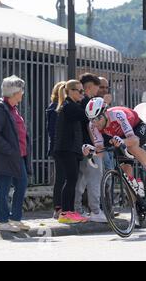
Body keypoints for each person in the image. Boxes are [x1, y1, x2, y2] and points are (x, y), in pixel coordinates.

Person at [83, 97, 146, 196]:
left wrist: (123, 141)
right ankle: (136, 201)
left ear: (105, 113)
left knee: (132, 147)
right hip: (120, 136)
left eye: (98, 118)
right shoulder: (92, 125)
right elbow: (100, 150)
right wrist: (91, 151)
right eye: (91, 119)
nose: (95, 123)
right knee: (126, 172)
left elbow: (134, 140)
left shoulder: (117, 115)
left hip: (137, 128)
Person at [0, 75, 32, 232]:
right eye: (21, 90)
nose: (23, 93)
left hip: (18, 156)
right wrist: (9, 150)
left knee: (21, 184)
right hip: (6, 156)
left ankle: (15, 218)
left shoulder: (12, 108)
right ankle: (2, 221)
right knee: (4, 187)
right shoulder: (0, 109)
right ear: (15, 92)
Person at [53, 80, 89, 224]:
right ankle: (66, 213)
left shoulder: (72, 105)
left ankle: (69, 212)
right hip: (66, 149)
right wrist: (87, 101)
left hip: (71, 149)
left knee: (71, 180)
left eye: (83, 91)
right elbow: (86, 115)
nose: (82, 94)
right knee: (70, 180)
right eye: (80, 91)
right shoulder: (69, 107)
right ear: (71, 92)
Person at [74, 73, 107, 223]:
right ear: (88, 87)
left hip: (81, 146)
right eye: (96, 88)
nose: (98, 91)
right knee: (94, 178)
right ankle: (95, 210)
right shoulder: (91, 104)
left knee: (80, 180)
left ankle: (77, 209)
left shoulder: (77, 103)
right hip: (92, 147)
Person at [46, 81, 66, 219]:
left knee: (63, 178)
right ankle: (58, 208)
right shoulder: (56, 108)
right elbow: (53, 131)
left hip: (58, 147)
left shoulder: (56, 107)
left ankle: (60, 207)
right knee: (61, 178)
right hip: (60, 148)